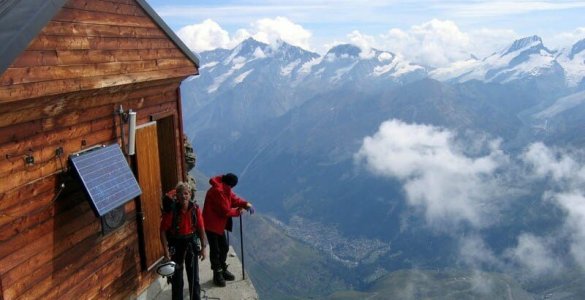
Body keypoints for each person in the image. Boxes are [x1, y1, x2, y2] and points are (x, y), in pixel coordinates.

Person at [203, 173, 253, 287]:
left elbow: (233, 198)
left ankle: (222, 268)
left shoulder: (224, 188)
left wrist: (245, 204)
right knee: (215, 250)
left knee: (224, 247)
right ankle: (217, 274)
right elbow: (224, 211)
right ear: (230, 185)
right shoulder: (218, 191)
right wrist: (238, 212)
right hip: (211, 225)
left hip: (218, 225)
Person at [160, 182, 207, 300]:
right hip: (176, 245)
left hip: (191, 243)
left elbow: (201, 228)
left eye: (186, 193)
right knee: (177, 280)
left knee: (194, 278)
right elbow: (162, 231)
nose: (183, 196)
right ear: (177, 196)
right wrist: (166, 252)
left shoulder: (195, 209)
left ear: (190, 194)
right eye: (180, 194)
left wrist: (203, 247)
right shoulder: (172, 211)